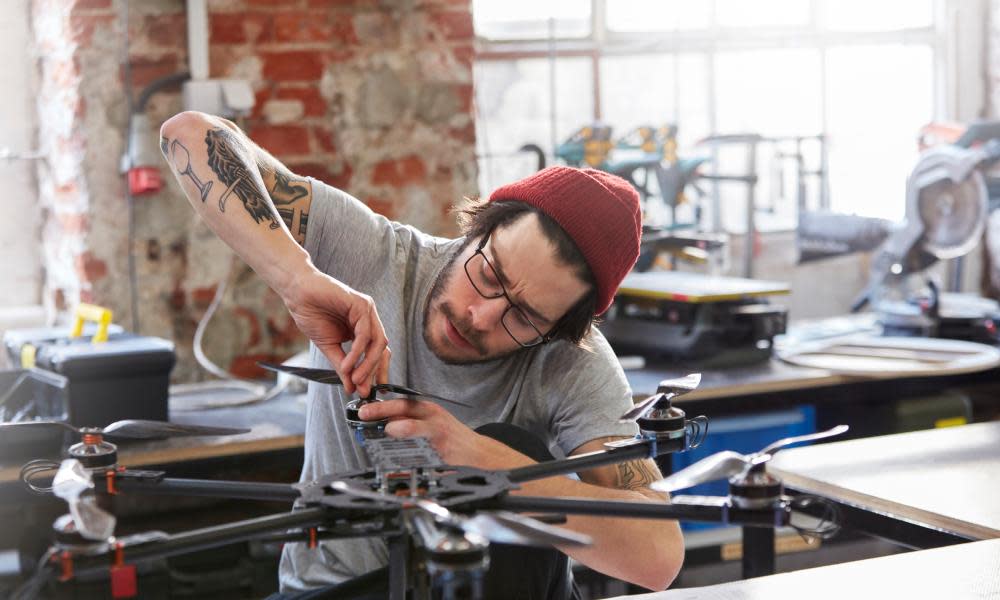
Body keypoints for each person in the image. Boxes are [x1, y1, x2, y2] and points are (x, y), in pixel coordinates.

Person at [160, 111, 685, 598]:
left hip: (473, 586)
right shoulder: (378, 257)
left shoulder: (574, 362)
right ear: (480, 225)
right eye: (489, 273)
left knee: (512, 445)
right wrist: (298, 279)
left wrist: (492, 466)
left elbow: (659, 558)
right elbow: (188, 134)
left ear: (558, 330)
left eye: (523, 316)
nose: (480, 315)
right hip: (333, 590)